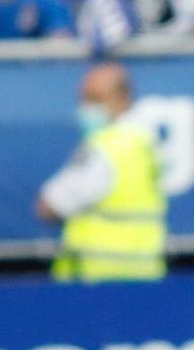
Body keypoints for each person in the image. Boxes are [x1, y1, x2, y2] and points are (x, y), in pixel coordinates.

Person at [35, 61, 165, 282]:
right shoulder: (145, 142)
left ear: (123, 99)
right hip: (145, 276)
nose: (87, 107)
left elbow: (49, 206)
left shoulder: (105, 148)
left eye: (95, 98)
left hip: (96, 283)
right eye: (84, 98)